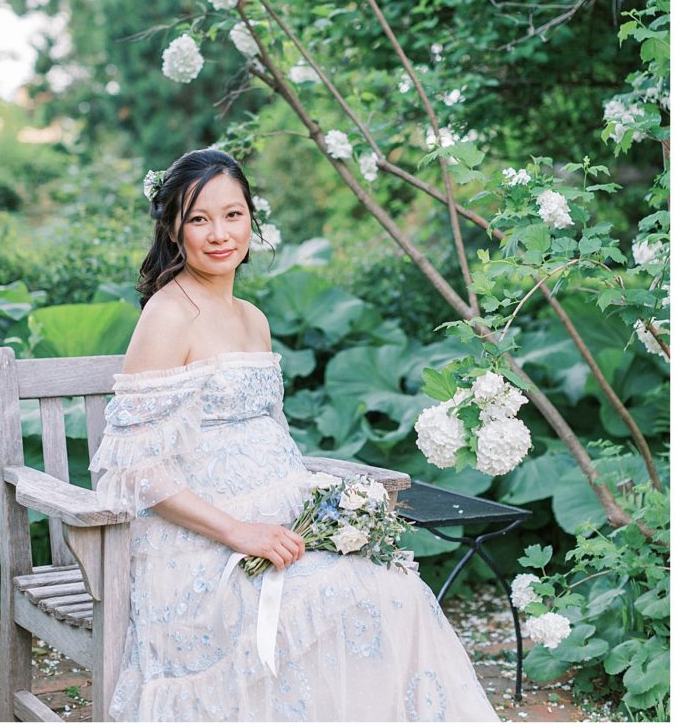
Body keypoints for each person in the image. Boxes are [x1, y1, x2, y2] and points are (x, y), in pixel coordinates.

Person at [89, 146, 500, 722]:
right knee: (346, 594)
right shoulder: (169, 314)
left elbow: (270, 435)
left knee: (396, 588)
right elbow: (133, 469)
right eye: (198, 218)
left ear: (252, 218)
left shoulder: (253, 318)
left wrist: (329, 506)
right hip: (202, 540)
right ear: (172, 229)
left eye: (232, 215)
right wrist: (239, 533)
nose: (219, 234)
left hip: (283, 515)